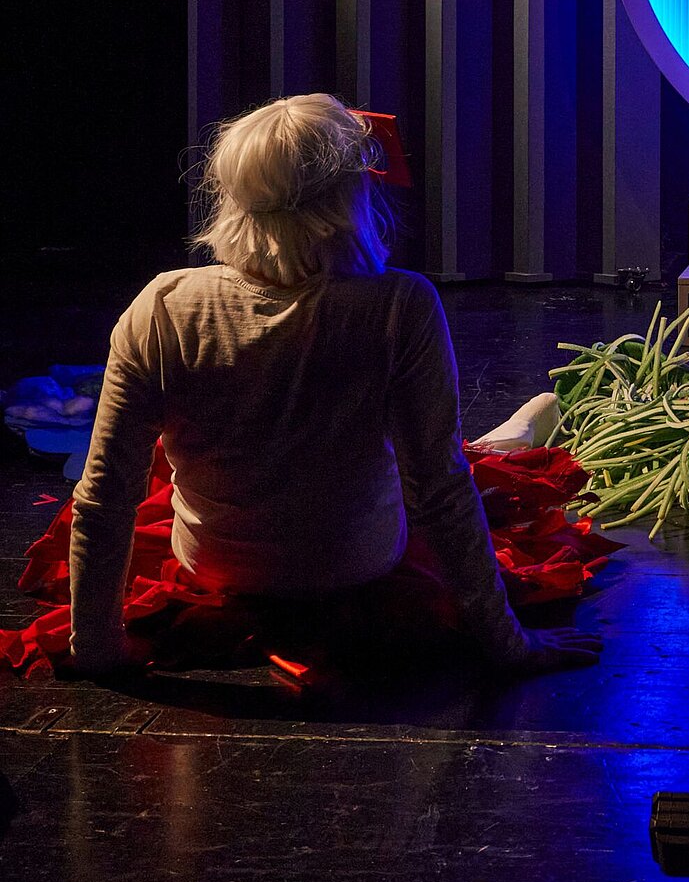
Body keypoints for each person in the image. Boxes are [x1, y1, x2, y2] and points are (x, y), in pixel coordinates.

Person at [66, 93, 602, 679]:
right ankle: (514, 433)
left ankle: (511, 433)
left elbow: (103, 495)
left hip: (215, 563)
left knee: (161, 467)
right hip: (356, 565)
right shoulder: (399, 305)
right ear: (350, 198)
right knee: (457, 467)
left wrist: (95, 651)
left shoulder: (164, 305)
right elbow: (439, 490)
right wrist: (509, 644)